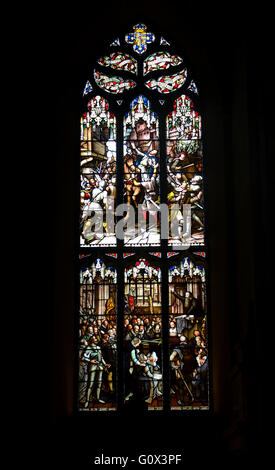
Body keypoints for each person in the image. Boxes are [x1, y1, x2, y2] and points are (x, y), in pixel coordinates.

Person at [83, 336, 111, 407]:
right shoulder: (88, 348)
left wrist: (105, 364)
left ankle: (98, 398)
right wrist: (90, 361)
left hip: (100, 367)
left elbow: (101, 357)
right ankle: (87, 400)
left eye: (96, 339)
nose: (96, 340)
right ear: (91, 340)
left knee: (99, 383)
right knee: (91, 384)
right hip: (92, 367)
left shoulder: (98, 348)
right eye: (95, 339)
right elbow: (83, 357)